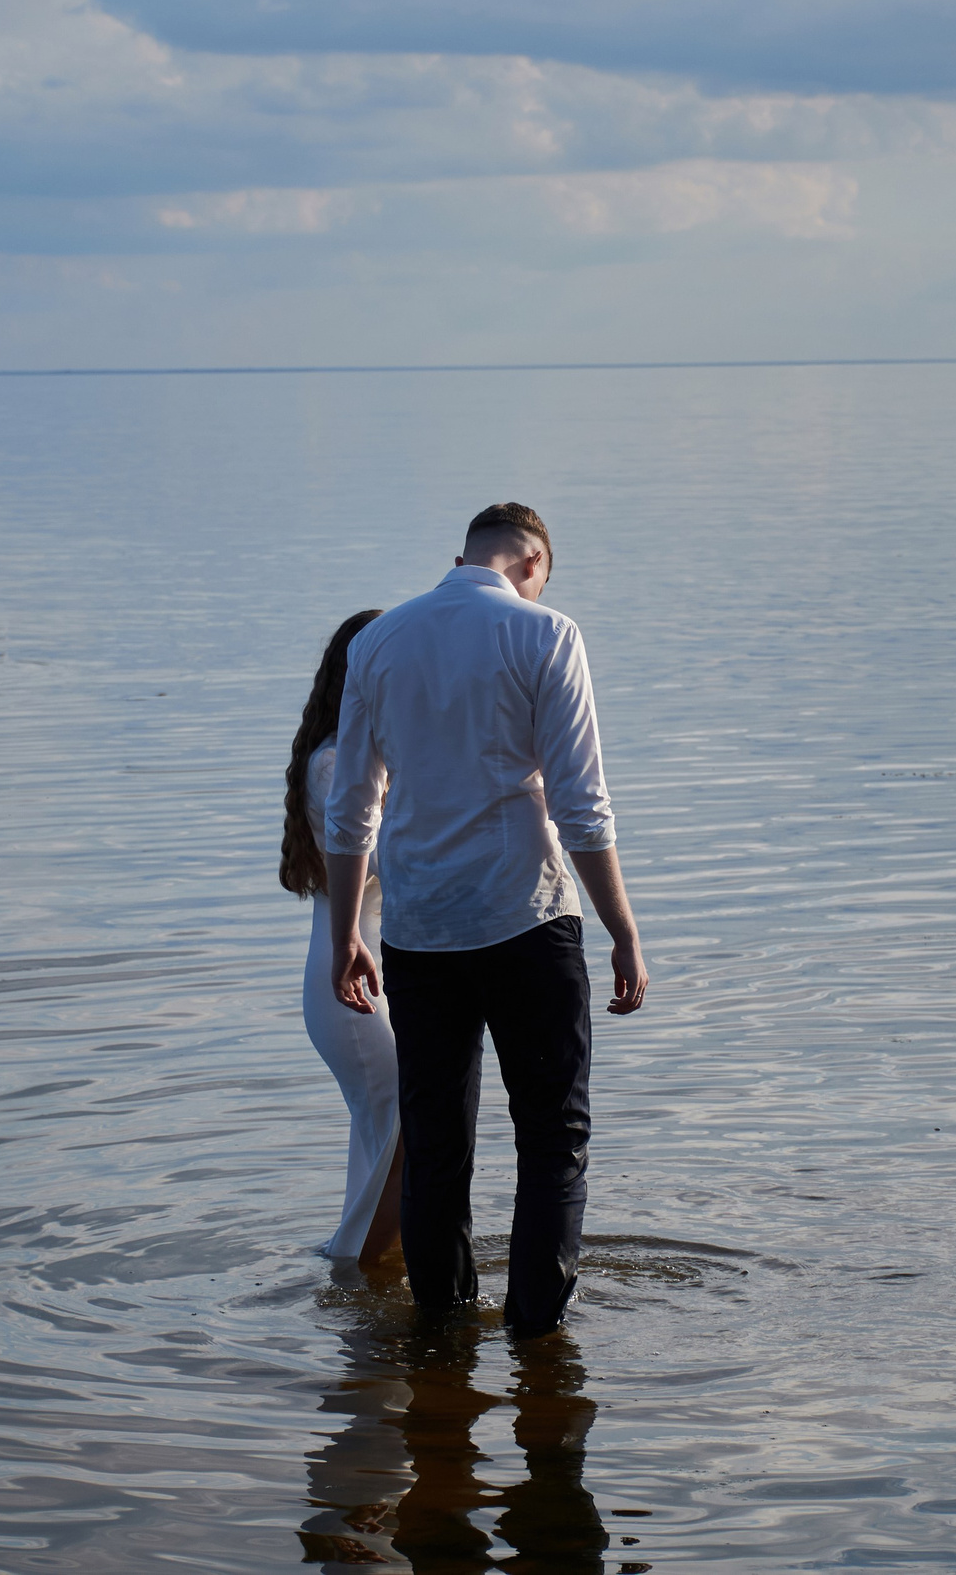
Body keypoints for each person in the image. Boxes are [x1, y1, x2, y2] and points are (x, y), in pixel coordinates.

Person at [321, 503, 649, 1337]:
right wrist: (622, 927)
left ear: (459, 556)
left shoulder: (379, 641)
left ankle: (442, 1332)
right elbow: (582, 807)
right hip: (525, 919)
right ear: (535, 562)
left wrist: (344, 938)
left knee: (436, 1140)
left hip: (420, 928)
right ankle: (539, 1339)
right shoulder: (547, 634)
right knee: (552, 1136)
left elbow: (351, 807)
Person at [283, 609, 403, 1264]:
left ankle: (362, 1272)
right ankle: (364, 1274)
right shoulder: (335, 764)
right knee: (405, 1129)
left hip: (367, 973)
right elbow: (386, 858)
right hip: (351, 983)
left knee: (385, 1136)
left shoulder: (366, 756)